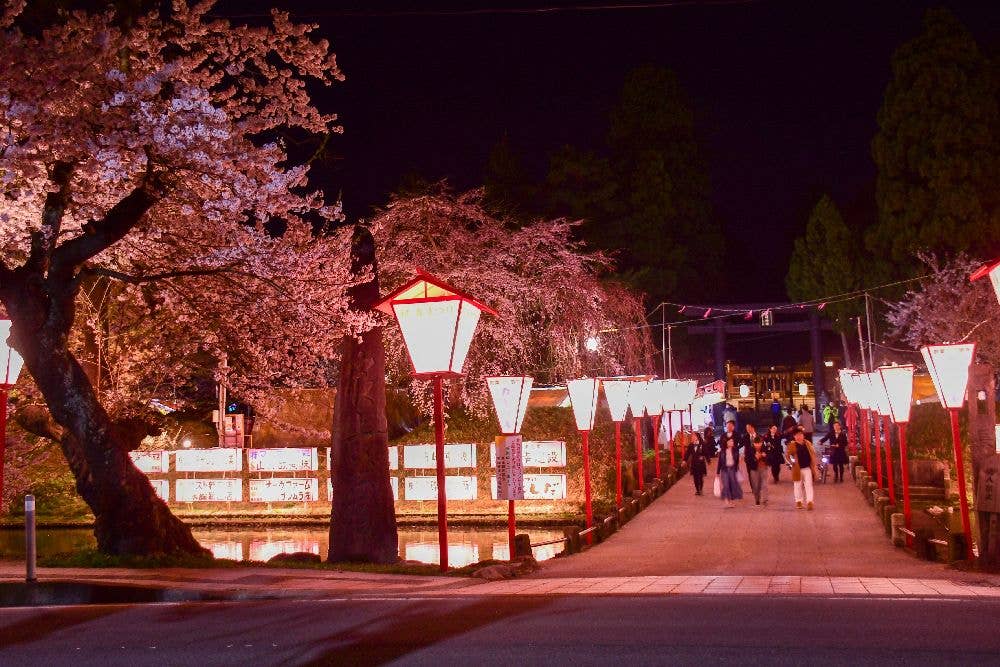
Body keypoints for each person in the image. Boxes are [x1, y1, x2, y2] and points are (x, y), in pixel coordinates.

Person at [787, 427, 819, 510]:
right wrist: (792, 462)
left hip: (807, 468)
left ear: (803, 435)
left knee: (809, 485)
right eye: (797, 435)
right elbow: (788, 455)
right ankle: (799, 501)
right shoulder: (792, 445)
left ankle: (810, 502)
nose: (799, 436)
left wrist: (813, 464)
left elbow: (813, 453)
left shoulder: (808, 443)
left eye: (801, 434)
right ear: (794, 436)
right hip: (797, 469)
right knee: (797, 485)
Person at [716, 420, 744, 508]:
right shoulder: (723, 437)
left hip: (732, 468)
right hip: (724, 469)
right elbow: (720, 461)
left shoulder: (736, 436)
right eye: (727, 425)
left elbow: (741, 443)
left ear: (733, 426)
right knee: (726, 484)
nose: (728, 427)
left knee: (732, 483)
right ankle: (726, 500)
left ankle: (730, 499)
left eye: (730, 425)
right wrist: (717, 472)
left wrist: (737, 467)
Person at [745, 430, 769, 506]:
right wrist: (755, 458)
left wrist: (765, 456)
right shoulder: (750, 450)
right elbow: (747, 460)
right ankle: (757, 499)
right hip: (754, 470)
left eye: (759, 443)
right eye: (756, 444)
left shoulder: (765, 449)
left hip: (763, 468)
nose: (758, 445)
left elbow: (770, 457)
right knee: (756, 486)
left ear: (761, 443)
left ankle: (765, 499)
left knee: (764, 484)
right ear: (754, 444)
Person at [684, 431, 709, 495]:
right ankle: (697, 490)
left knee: (700, 477)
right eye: (692, 436)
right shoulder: (691, 445)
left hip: (700, 464)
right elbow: (687, 453)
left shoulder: (702, 444)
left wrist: (707, 459)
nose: (692, 437)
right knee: (695, 478)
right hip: (694, 464)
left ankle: (700, 489)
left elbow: (706, 453)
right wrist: (684, 460)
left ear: (697, 437)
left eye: (693, 436)